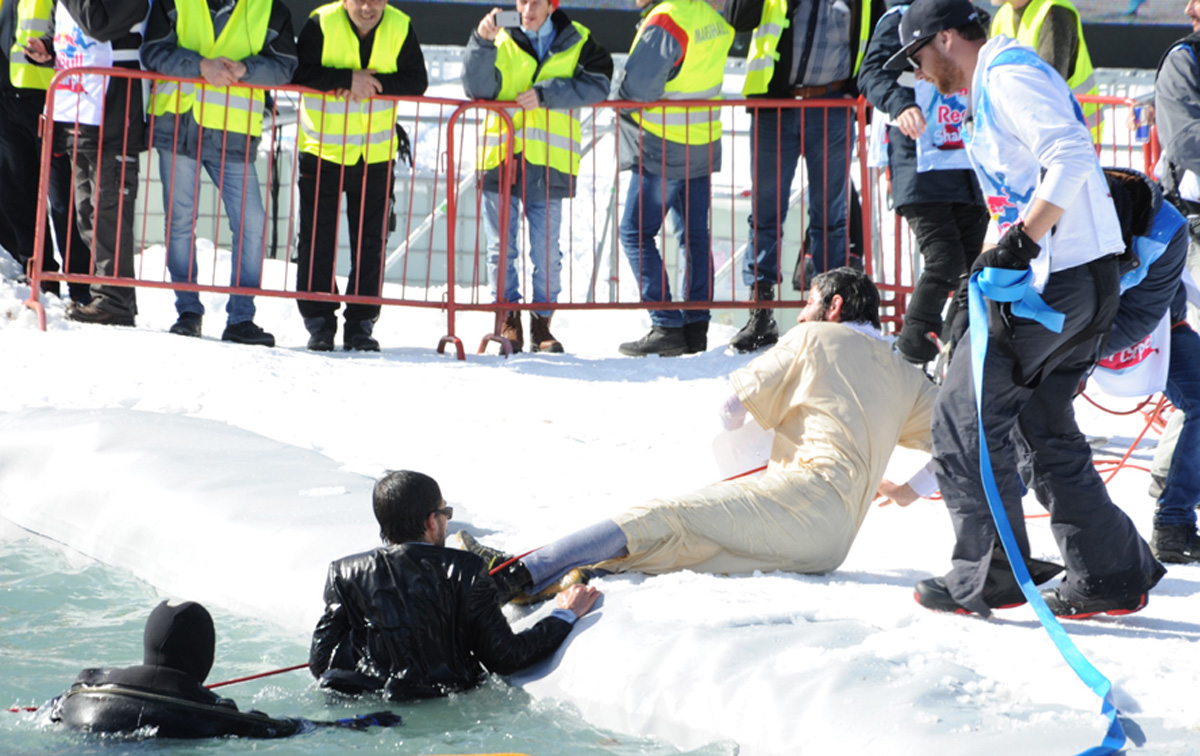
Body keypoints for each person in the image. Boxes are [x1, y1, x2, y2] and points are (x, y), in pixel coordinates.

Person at [885, 0, 1164, 619]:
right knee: (1041, 425)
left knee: (963, 417)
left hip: (1060, 279)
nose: (920, 74)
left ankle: (990, 574)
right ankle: (1111, 571)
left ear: (947, 37)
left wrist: (1024, 242)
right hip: (1073, 278)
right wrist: (977, 281)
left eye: (918, 57)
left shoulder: (1008, 74)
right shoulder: (990, 88)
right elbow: (1011, 200)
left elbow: (1070, 155)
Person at [460, 268, 941, 604]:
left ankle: (510, 575)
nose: (801, 314)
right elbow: (966, 440)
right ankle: (551, 577)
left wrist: (748, 436)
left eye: (810, 302)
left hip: (796, 501)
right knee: (682, 545)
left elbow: (730, 406)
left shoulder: (814, 338)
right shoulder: (905, 371)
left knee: (662, 516)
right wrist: (907, 492)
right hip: (833, 546)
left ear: (834, 306)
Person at [309, 470, 600, 700]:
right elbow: (508, 657)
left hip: (378, 710)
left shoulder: (344, 573)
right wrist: (564, 614)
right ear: (432, 521)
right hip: (452, 705)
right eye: (445, 512)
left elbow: (321, 663)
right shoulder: (467, 569)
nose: (448, 520)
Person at [723, 0, 877, 354]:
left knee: (831, 219)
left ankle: (831, 314)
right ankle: (760, 313)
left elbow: (876, 41)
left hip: (832, 106)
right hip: (775, 107)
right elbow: (738, 19)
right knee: (765, 214)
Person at [141, 0, 298, 346]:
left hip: (233, 131)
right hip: (179, 123)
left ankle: (241, 318)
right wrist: (199, 65)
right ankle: (188, 311)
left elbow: (285, 66)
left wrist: (245, 69)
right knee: (180, 221)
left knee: (252, 221)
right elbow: (152, 52)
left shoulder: (270, 8)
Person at [462, 0, 612, 354]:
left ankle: (541, 325)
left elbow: (599, 84)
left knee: (547, 254)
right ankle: (508, 321)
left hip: (548, 162)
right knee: (501, 250)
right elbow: (476, 87)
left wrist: (547, 95)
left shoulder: (577, 39)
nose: (527, 8)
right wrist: (481, 39)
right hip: (500, 157)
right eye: (522, 1)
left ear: (551, 6)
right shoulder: (496, 35)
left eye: (536, 2)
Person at [857, 0, 989, 366]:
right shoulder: (899, 20)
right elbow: (870, 75)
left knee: (977, 269)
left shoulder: (967, 17)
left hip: (969, 161)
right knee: (945, 260)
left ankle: (956, 355)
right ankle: (909, 357)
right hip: (920, 161)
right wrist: (900, 105)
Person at [290, 0, 427, 352]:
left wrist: (374, 84)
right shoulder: (321, 22)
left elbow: (417, 81)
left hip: (375, 155)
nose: (368, 7)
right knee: (317, 241)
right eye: (360, 0)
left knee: (371, 243)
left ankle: (361, 324)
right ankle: (319, 322)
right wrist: (345, 79)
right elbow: (297, 70)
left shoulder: (400, 24)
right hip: (323, 151)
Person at [614, 0, 733, 357]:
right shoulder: (710, 17)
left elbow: (638, 87)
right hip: (701, 142)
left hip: (665, 146)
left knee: (634, 233)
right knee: (695, 237)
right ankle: (696, 328)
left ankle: (666, 323)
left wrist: (622, 100)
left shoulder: (669, 18)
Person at [21, 0, 149, 325]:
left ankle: (113, 300)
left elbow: (98, 24)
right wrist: (47, 49)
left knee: (109, 208)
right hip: (78, 110)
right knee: (87, 212)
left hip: (117, 110)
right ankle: (114, 292)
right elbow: (72, 31)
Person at [989, 0, 1100, 140]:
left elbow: (1048, 89)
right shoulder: (1002, 16)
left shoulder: (1053, 12)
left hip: (1071, 138)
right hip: (1031, 136)